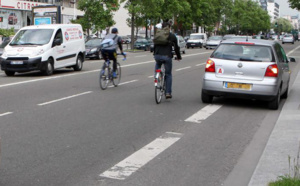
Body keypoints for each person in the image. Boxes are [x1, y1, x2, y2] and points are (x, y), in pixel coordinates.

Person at [153, 20, 182, 99]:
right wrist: (179, 56)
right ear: (169, 27)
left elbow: (154, 46)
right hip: (167, 56)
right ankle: (168, 93)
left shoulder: (158, 35)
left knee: (157, 65)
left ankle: (157, 78)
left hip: (157, 56)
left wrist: (155, 54)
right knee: (168, 74)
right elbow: (176, 48)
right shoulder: (172, 36)